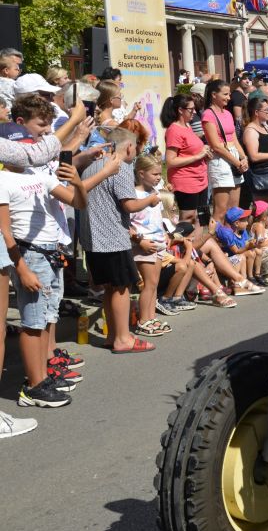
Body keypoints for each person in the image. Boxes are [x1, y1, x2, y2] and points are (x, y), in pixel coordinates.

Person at [0, 98, 120, 412]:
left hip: (51, 253)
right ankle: (33, 385)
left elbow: (78, 202)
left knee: (45, 318)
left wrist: (78, 181)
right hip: (29, 254)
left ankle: (42, 375)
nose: (30, 148)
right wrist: (21, 268)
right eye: (22, 145)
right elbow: (5, 232)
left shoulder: (40, 175)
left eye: (31, 143)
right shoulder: (3, 179)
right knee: (33, 322)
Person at [79, 128, 159, 354]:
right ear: (129, 147)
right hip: (112, 237)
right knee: (122, 287)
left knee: (110, 288)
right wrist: (150, 200)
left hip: (92, 239)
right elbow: (130, 205)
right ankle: (123, 338)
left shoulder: (91, 167)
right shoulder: (121, 167)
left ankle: (113, 335)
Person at [130, 155, 173, 336]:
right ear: (141, 174)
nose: (158, 177)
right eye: (154, 174)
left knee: (154, 283)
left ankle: (151, 317)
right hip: (144, 244)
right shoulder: (133, 195)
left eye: (159, 174)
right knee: (149, 283)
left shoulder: (155, 192)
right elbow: (127, 225)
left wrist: (166, 233)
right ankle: (143, 320)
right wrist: (140, 241)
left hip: (158, 242)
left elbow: (159, 216)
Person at [202, 80, 248, 222]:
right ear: (214, 95)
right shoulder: (208, 115)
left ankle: (230, 236)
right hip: (220, 160)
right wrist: (237, 163)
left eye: (229, 94)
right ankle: (215, 235)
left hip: (233, 156)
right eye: (225, 94)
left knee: (234, 211)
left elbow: (234, 139)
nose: (229, 98)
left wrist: (243, 158)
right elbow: (216, 146)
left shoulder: (228, 113)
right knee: (221, 211)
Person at [162, 93, 211, 226]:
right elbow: (170, 161)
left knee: (202, 218)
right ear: (180, 110)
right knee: (189, 218)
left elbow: (190, 150)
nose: (194, 112)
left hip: (200, 179)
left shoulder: (188, 126)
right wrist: (198, 156)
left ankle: (199, 240)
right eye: (191, 109)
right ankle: (186, 240)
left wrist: (204, 154)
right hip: (186, 181)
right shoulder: (174, 130)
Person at [214, 207, 266, 291]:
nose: (247, 223)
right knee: (245, 255)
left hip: (237, 256)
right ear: (237, 223)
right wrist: (248, 246)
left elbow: (245, 243)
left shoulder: (243, 231)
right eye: (245, 221)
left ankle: (250, 277)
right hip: (228, 259)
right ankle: (240, 282)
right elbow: (236, 251)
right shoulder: (227, 233)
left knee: (255, 251)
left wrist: (254, 243)